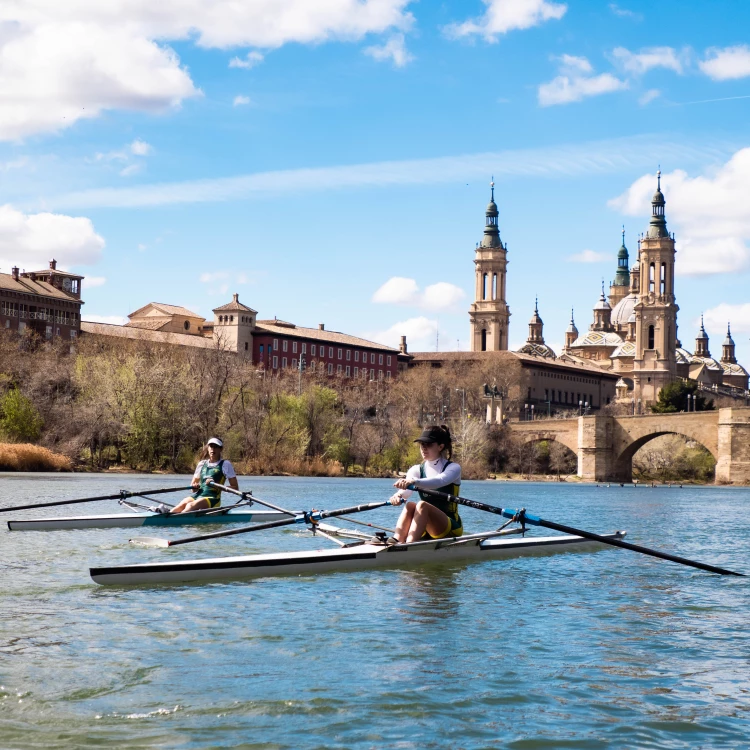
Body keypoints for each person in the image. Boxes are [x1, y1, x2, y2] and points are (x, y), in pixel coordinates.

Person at [389, 425, 462, 543]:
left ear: (440, 446)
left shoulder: (453, 468)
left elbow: (439, 481)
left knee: (422, 505)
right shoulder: (416, 469)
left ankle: (408, 545)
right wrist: (398, 496)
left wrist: (414, 481)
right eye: (422, 444)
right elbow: (405, 493)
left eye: (429, 444)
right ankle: (396, 540)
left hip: (450, 526)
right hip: (425, 526)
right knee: (410, 506)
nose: (424, 448)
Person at [171, 437, 239, 513]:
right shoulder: (201, 464)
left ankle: (179, 519)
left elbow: (235, 488)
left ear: (221, 449)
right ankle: (167, 517)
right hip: (198, 495)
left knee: (190, 505)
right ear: (208, 448)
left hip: (213, 498)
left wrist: (216, 486)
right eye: (211, 446)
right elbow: (192, 489)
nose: (213, 449)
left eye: (216, 446)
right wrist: (195, 487)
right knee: (182, 504)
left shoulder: (225, 464)